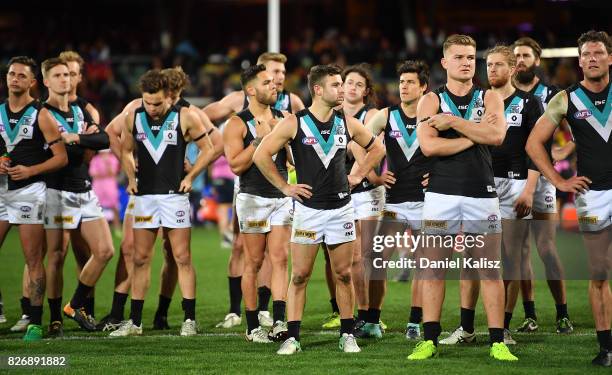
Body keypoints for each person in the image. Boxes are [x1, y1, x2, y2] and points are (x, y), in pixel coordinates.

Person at [253, 64, 385, 355]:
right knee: (299, 275)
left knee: (344, 275)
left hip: (341, 209)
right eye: (336, 85)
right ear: (318, 89)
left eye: (342, 84)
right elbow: (260, 154)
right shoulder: (294, 123)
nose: (342, 90)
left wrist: (357, 175)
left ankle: (347, 334)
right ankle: (294, 338)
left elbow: (377, 149)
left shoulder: (347, 122)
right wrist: (285, 188)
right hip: (308, 211)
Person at [407, 35, 516, 361]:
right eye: (459, 57)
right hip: (440, 193)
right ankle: (429, 340)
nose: (466, 62)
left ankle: (497, 341)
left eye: (471, 57)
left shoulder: (490, 97)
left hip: (481, 192)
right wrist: (474, 133)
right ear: (445, 63)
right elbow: (429, 146)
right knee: (434, 269)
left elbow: (496, 136)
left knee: (488, 269)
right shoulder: (429, 100)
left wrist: (454, 122)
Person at [439, 45, 544, 347]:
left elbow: (536, 149)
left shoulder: (529, 102)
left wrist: (529, 188)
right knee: (471, 260)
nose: (492, 70)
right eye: (489, 65)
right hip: (481, 182)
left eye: (499, 65)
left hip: (515, 185)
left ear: (513, 69)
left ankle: (505, 326)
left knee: (509, 259)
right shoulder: (481, 99)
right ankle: (466, 327)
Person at [526, 30, 612, 367]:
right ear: (579, 62)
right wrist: (559, 181)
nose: (592, 58)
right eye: (586, 54)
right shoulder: (566, 99)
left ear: (609, 58)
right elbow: (534, 144)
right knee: (600, 271)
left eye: (598, 53)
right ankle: (606, 348)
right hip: (592, 194)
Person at [110, 69, 210, 337]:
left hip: (174, 196)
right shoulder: (133, 115)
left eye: (157, 103)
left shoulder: (185, 116)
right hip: (144, 197)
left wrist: (191, 176)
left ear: (168, 97)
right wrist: (130, 176)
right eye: (147, 102)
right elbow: (126, 149)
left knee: (181, 257)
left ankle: (189, 320)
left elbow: (210, 148)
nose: (152, 108)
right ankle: (135, 322)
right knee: (141, 258)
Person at [39, 57, 112, 337]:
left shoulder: (82, 108)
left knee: (105, 250)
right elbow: (51, 152)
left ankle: (75, 305)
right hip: (56, 190)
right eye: (58, 75)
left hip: (84, 188)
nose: (65, 80)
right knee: (56, 256)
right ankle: (54, 318)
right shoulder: (40, 112)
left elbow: (104, 140)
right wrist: (79, 139)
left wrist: (75, 138)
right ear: (46, 81)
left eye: (68, 75)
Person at [362, 60, 432, 340]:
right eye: (401, 82)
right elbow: (359, 144)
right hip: (394, 202)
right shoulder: (385, 116)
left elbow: (451, 151)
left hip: (427, 202)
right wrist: (374, 177)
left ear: (423, 87)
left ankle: (415, 322)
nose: (403, 86)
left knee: (423, 264)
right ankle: (372, 322)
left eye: (410, 82)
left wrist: (439, 175)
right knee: (379, 259)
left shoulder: (434, 115)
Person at [0, 56, 68, 340]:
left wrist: (31, 170)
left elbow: (61, 157)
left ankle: (35, 323)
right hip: (2, 191)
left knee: (32, 259)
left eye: (20, 75)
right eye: (11, 74)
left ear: (32, 82)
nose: (14, 79)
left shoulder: (41, 114)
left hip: (30, 192)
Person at [224, 64, 293, 343]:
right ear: (250, 90)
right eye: (266, 83)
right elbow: (235, 166)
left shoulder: (284, 117)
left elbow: (291, 161)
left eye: (274, 82)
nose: (274, 85)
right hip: (252, 199)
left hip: (280, 198)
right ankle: (252, 327)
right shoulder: (237, 123)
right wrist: (261, 140)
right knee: (252, 262)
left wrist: (285, 141)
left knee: (280, 259)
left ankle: (278, 321)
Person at [512, 37, 572, 334]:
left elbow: (575, 131)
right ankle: (530, 314)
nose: (520, 60)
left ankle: (563, 313)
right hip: (514, 179)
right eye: (516, 56)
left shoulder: (552, 94)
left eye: (525, 55)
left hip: (544, 181)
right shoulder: (502, 94)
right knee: (520, 251)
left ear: (537, 59)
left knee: (546, 248)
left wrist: (565, 150)